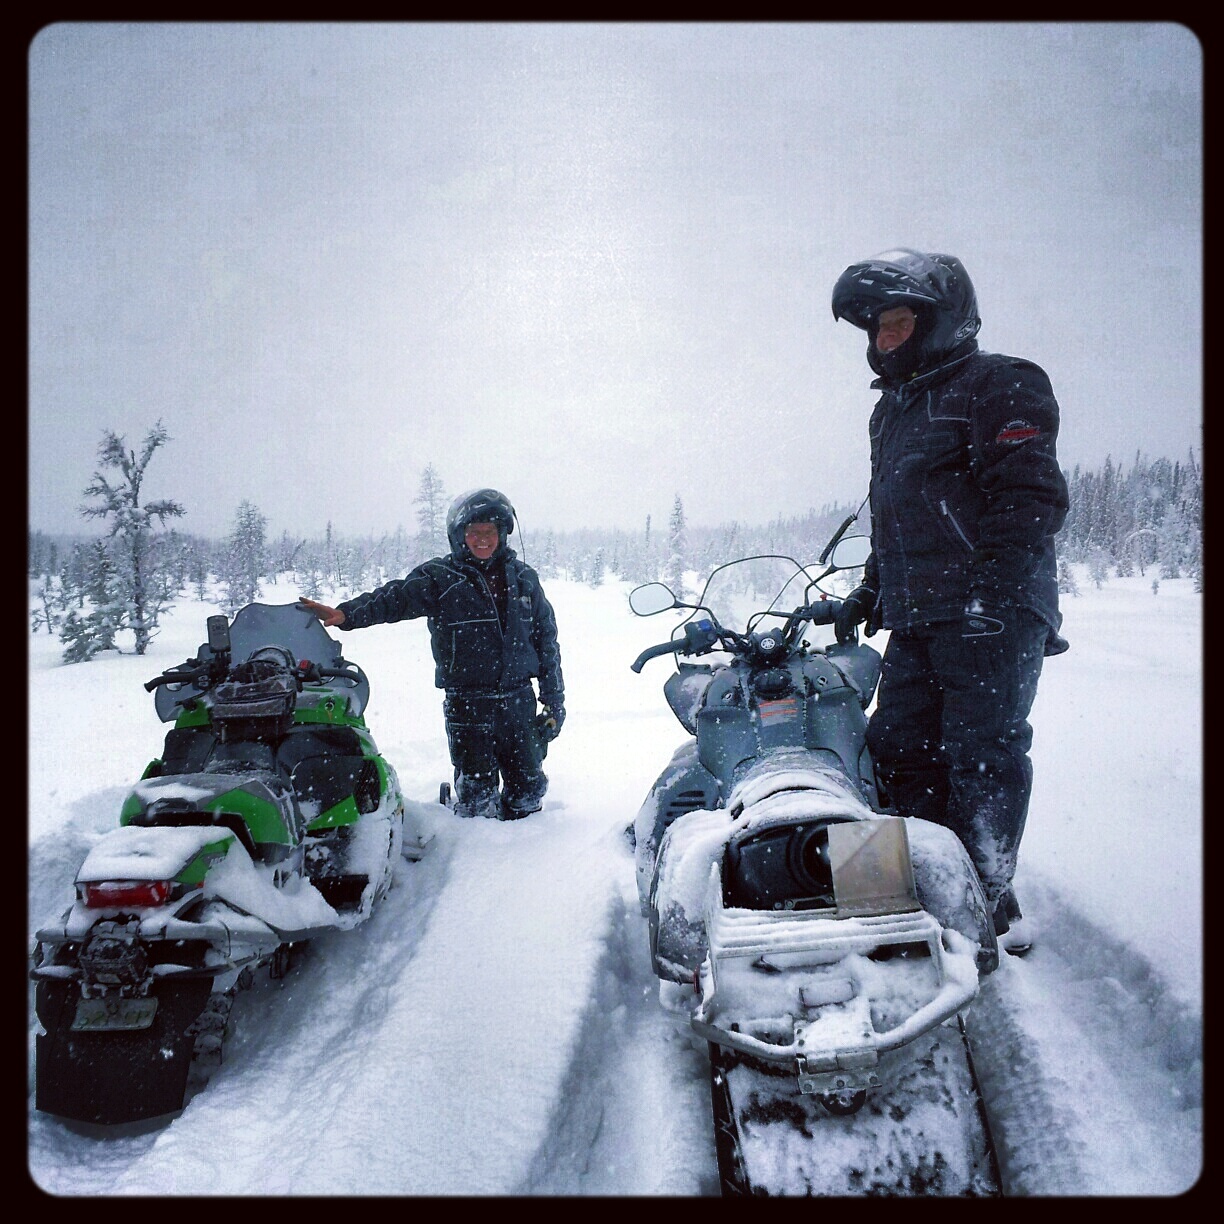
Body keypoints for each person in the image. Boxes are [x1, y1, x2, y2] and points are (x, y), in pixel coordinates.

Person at [830, 248, 1069, 956]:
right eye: (877, 328)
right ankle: (913, 887)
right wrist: (870, 591)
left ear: (943, 319)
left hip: (990, 614)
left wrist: (992, 592)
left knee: (980, 752)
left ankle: (988, 898)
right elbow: (902, 515)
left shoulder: (999, 382)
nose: (885, 339)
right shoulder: (896, 410)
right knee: (895, 748)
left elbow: (1029, 495)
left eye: (899, 322)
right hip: (921, 615)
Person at [300, 488, 564, 821]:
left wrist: (554, 700)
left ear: (502, 534)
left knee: (528, 789)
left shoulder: (525, 580)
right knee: (477, 797)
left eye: (490, 532)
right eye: (474, 532)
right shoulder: (441, 577)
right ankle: (478, 858)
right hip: (468, 703)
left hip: (517, 700)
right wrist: (347, 614)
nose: (483, 540)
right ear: (459, 535)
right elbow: (394, 598)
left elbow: (546, 642)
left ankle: (531, 851)